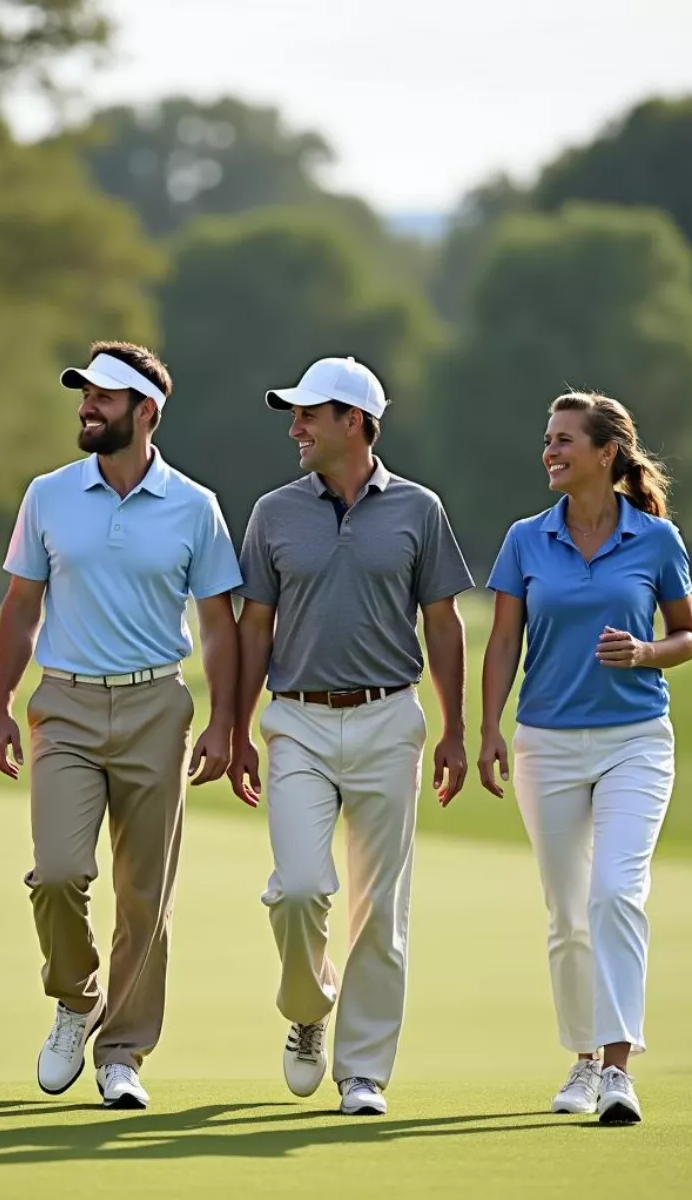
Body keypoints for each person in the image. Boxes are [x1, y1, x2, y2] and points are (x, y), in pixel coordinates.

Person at [0, 341, 241, 1110]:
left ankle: (123, 1052)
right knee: (60, 873)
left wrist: (225, 722)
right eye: (85, 395)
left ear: (146, 413)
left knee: (145, 895)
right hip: (62, 704)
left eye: (103, 398)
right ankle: (76, 995)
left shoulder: (195, 506)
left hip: (155, 707)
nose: (86, 407)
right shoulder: (49, 494)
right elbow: (22, 606)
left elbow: (220, 626)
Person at [229, 356, 474, 1116]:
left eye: (309, 414)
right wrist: (234, 729)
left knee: (380, 907)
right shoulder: (273, 512)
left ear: (357, 424)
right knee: (300, 888)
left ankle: (363, 1071)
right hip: (296, 719)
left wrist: (456, 731)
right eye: (294, 415)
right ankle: (308, 1007)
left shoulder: (419, 509)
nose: (295, 427)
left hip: (387, 718)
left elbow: (442, 620)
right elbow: (254, 626)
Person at [477, 391, 692, 1126]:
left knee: (614, 892)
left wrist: (644, 653)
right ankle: (579, 1060)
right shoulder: (525, 539)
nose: (551, 451)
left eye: (565, 440)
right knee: (568, 913)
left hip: (636, 739)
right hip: (546, 744)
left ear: (607, 453)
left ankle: (616, 1069)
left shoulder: (657, 541)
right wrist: (486, 730)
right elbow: (504, 642)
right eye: (547, 440)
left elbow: (687, 637)